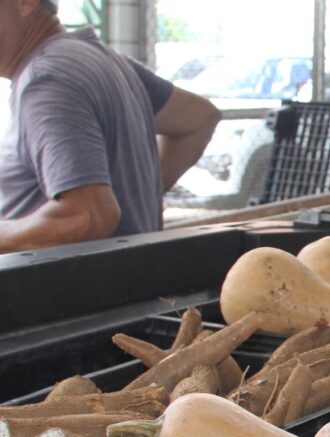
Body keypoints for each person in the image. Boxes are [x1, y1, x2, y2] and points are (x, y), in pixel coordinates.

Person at [0, 0, 221, 252]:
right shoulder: (98, 59)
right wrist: (136, 196)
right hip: (131, 284)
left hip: (74, 290)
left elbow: (87, 217)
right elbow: (199, 118)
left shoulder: (46, 79)